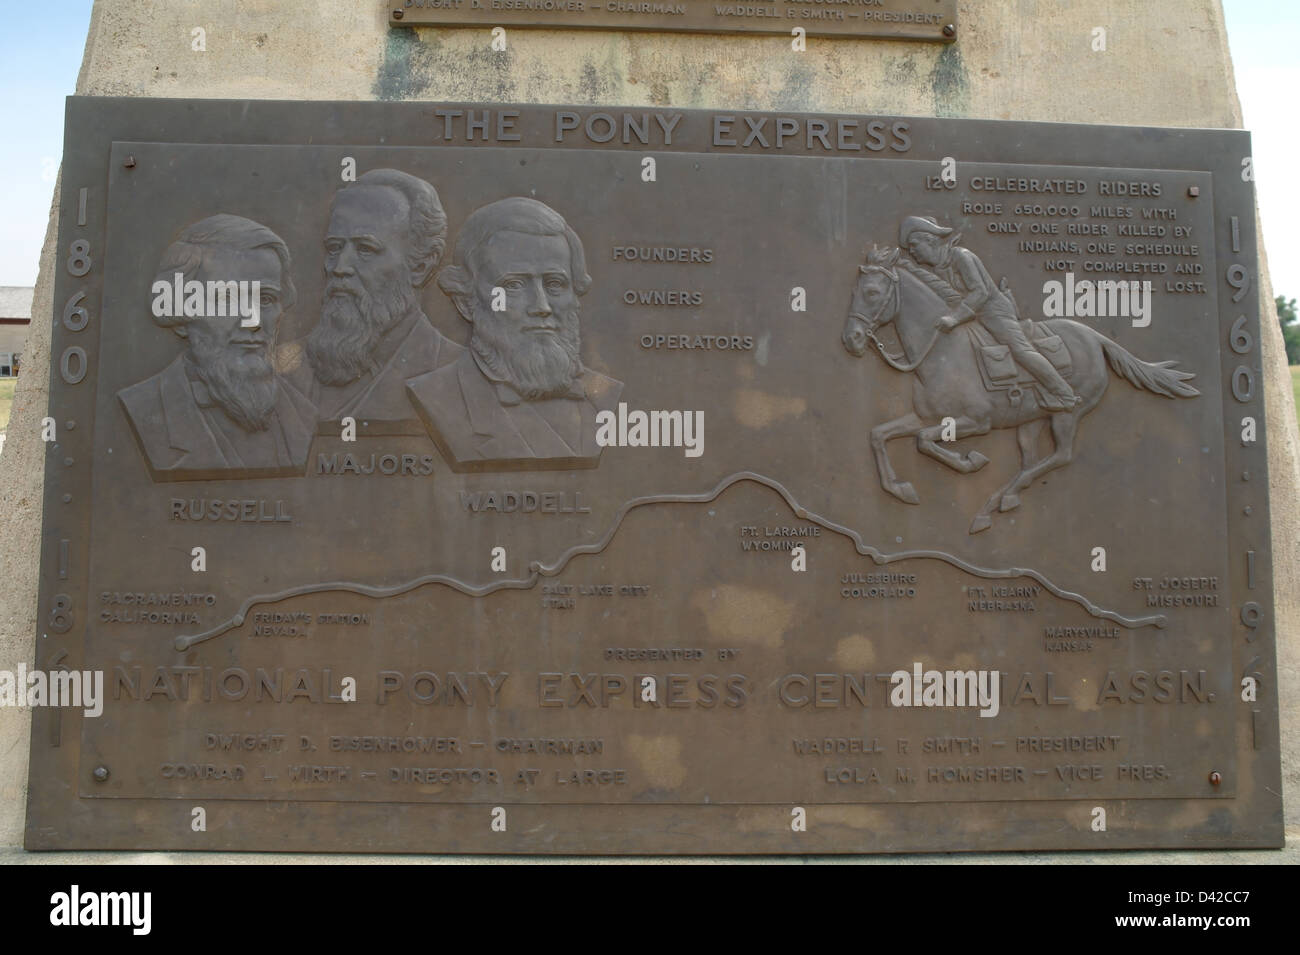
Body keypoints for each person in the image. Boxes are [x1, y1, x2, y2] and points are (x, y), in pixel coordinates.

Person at [406, 197, 622, 471]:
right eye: (514, 285)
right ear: (466, 301)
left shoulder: (607, 397)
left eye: (555, 284)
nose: (541, 306)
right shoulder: (437, 397)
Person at [118, 214, 315, 481]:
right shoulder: (142, 409)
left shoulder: (303, 416)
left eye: (266, 299)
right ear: (180, 313)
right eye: (227, 298)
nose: (253, 322)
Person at [283, 168, 461, 433]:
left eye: (365, 249)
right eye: (334, 248)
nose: (339, 267)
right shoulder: (286, 373)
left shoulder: (458, 374)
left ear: (422, 264)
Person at [900, 216, 1078, 411]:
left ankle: (1065, 394)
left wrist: (954, 318)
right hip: (970, 316)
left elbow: (980, 292)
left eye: (914, 245)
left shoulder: (961, 256)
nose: (912, 251)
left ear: (930, 241)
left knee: (1021, 350)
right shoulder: (938, 268)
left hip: (994, 312)